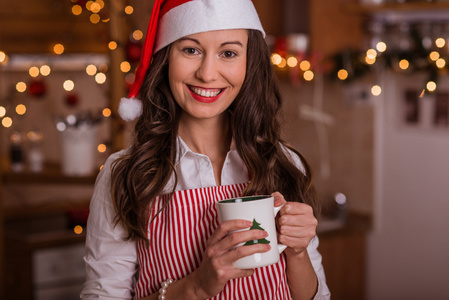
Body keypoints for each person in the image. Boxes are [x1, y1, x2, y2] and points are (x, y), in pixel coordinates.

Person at [81, 0, 330, 299]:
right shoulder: (126, 176)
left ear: (249, 63)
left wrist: (299, 252)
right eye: (191, 50)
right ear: (166, 58)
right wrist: (197, 286)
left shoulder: (284, 164)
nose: (208, 74)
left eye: (228, 53)